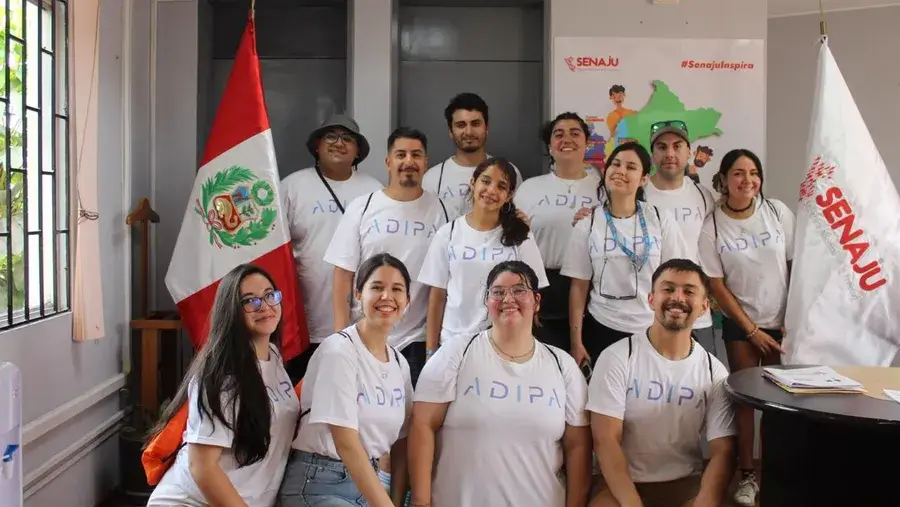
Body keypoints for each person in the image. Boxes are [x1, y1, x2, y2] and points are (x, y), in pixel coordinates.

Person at [410, 261, 592, 507]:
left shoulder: (563, 366)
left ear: (537, 301)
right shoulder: (457, 351)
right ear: (487, 301)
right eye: (498, 292)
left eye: (519, 290)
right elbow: (422, 424)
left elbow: (578, 446)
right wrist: (421, 502)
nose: (508, 298)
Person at [147, 265, 299, 507]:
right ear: (231, 311)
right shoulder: (221, 375)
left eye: (270, 295)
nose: (265, 306)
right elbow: (202, 467)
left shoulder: (272, 355)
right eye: (250, 301)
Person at [588, 259, 736, 507]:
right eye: (668, 289)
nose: (677, 298)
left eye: (689, 291)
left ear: (704, 306)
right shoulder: (616, 357)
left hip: (686, 483)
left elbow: (723, 450)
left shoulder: (714, 371)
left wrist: (706, 501)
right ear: (651, 299)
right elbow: (605, 440)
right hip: (622, 484)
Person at [697, 149, 794, 507]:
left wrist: (793, 317)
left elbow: (795, 264)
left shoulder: (777, 212)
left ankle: (779, 472)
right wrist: (751, 330)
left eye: (754, 173)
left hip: (785, 323)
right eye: (738, 173)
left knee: (781, 403)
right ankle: (748, 475)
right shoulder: (713, 226)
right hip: (742, 326)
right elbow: (717, 285)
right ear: (723, 179)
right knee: (747, 401)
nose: (747, 180)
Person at [278, 253, 415, 507]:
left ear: (407, 301)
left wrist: (395, 501)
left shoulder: (399, 363)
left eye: (397, 289)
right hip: (318, 482)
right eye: (376, 287)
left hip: (366, 484)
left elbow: (402, 443)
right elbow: (346, 444)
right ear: (358, 294)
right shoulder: (338, 351)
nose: (387, 296)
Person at [324, 126, 450, 386]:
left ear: (426, 163)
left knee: (411, 420)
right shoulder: (363, 207)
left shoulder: (443, 211)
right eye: (401, 154)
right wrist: (341, 339)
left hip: (417, 342)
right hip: (366, 335)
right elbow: (343, 275)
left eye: (416, 155)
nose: (408, 161)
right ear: (388, 161)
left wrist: (433, 347)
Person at [562, 142, 688, 369]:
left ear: (643, 179)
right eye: (615, 164)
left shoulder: (660, 219)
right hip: (602, 327)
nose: (620, 171)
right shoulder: (588, 223)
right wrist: (576, 342)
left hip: (652, 329)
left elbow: (678, 280)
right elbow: (578, 287)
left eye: (631, 167)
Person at [281, 114, 383, 383]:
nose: (339, 143)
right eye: (331, 136)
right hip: (303, 324)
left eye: (348, 138)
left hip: (361, 322)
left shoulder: (375, 190)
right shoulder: (292, 187)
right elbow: (275, 251)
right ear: (317, 144)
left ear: (358, 150)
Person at [418, 157, 549, 353]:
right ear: (473, 183)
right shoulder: (448, 233)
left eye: (501, 186)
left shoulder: (520, 235)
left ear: (509, 194)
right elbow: (437, 298)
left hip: (504, 342)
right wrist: (430, 351)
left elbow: (531, 295)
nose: (491, 190)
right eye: (486, 181)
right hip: (454, 341)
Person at [516, 112, 602, 352]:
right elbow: (514, 243)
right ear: (550, 146)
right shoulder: (530, 188)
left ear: (587, 143)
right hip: (543, 290)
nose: (567, 139)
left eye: (575, 134)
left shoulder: (603, 187)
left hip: (592, 291)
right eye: (558, 134)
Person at [642, 120, 718, 355]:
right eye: (662, 147)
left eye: (677, 146)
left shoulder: (702, 195)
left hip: (696, 310)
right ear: (653, 155)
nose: (670, 153)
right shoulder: (639, 193)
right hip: (652, 310)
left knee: (702, 383)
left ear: (689, 153)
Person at [422, 92, 523, 219]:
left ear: (486, 128)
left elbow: (516, 220)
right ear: (450, 131)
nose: (468, 132)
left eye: (475, 124)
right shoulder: (432, 178)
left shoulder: (509, 172)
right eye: (461, 125)